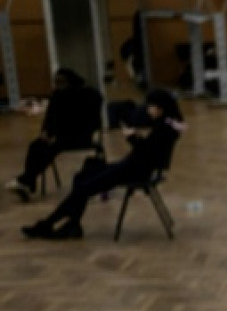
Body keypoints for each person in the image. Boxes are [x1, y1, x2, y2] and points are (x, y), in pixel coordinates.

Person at [21, 89, 183, 241]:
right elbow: (150, 149)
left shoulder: (164, 129)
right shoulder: (168, 125)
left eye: (151, 106)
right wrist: (136, 137)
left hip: (134, 170)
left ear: (161, 108)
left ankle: (49, 224)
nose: (148, 110)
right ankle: (71, 224)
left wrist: (132, 138)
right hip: (131, 166)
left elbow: (148, 153)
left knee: (83, 187)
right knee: (83, 175)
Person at [5, 69, 101, 202]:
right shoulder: (57, 96)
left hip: (80, 135)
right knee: (36, 146)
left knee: (50, 149)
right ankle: (29, 181)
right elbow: (50, 118)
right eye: (56, 82)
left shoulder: (86, 95)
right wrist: (45, 132)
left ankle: (27, 180)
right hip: (60, 135)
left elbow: (84, 121)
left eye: (61, 82)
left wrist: (57, 134)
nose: (58, 85)